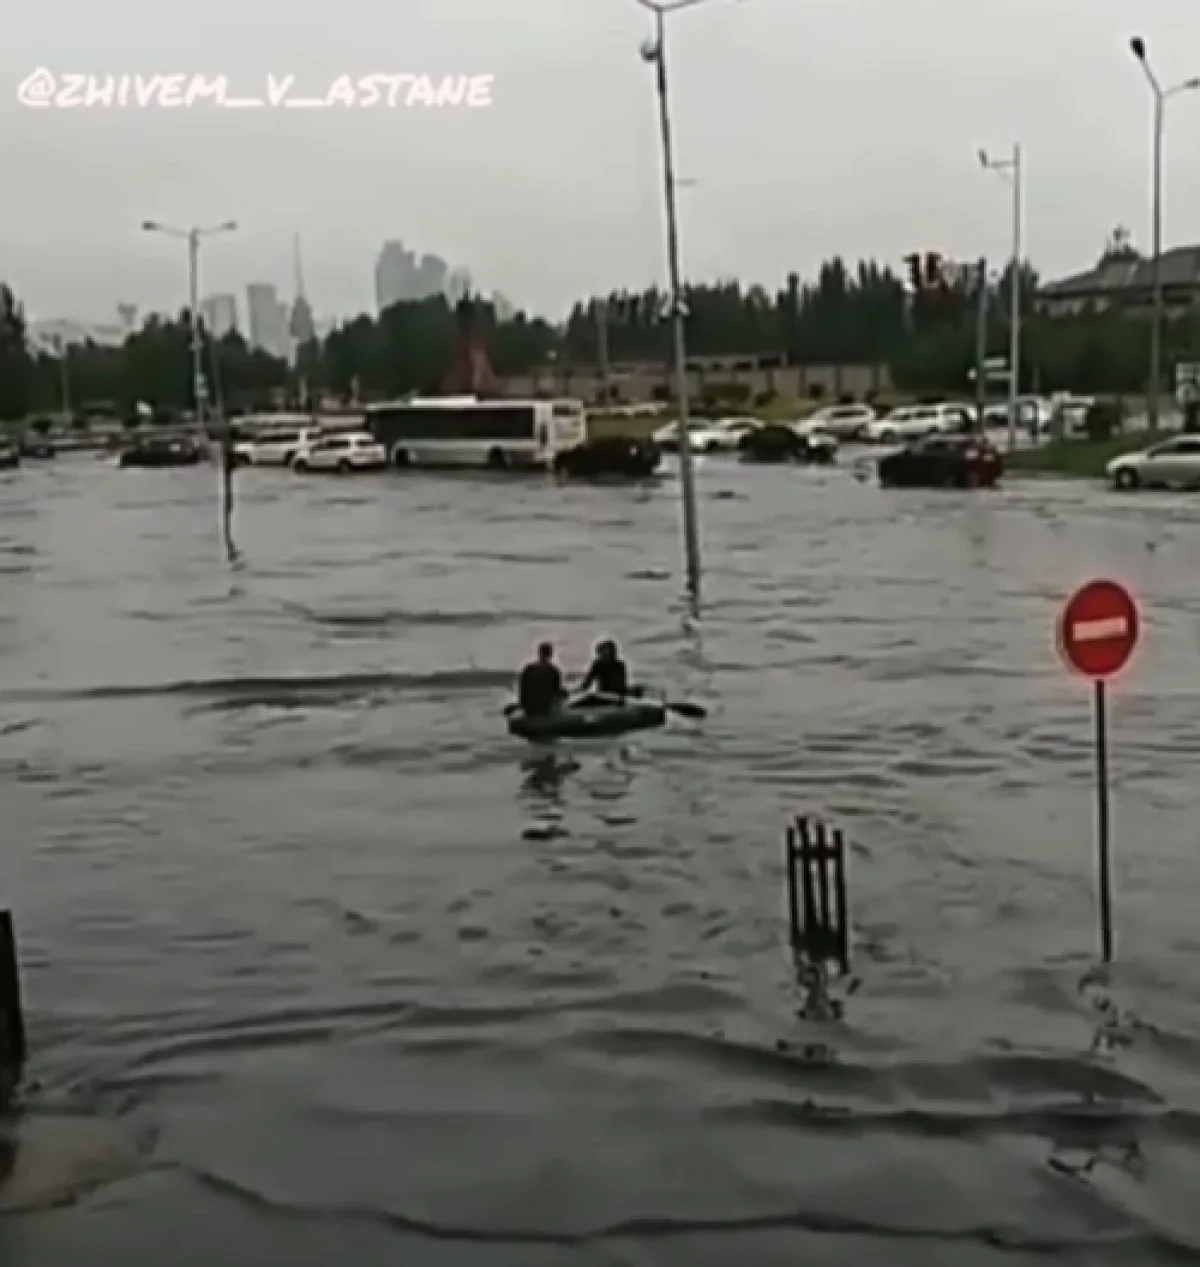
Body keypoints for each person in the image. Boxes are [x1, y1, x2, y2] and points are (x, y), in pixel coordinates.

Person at [517, 641, 566, 716]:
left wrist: (523, 705)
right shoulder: (553, 671)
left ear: (539, 653)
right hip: (545, 708)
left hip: (529, 708)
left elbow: (522, 690)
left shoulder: (528, 669)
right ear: (551, 654)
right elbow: (556, 691)